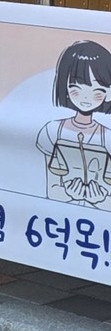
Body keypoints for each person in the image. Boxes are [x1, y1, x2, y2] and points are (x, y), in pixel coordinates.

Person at [35, 40, 111, 208]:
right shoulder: (52, 130)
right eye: (77, 87)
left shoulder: (108, 137)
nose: (85, 97)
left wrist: (102, 199)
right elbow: (51, 189)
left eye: (97, 90)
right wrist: (67, 194)